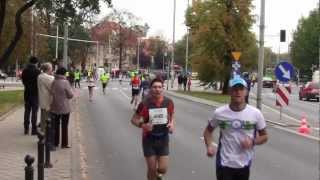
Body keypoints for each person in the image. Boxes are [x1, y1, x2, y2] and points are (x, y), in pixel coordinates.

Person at [203, 77, 268, 180]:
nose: (238, 92)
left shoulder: (255, 114)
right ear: (230, 91)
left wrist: (252, 142)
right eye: (235, 89)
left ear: (246, 92)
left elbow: (264, 136)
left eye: (241, 89)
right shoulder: (219, 113)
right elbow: (208, 132)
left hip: (244, 164)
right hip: (224, 163)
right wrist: (209, 145)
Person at [131, 78, 175, 180]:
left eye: (160, 87)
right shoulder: (144, 103)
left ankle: (159, 176)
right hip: (148, 139)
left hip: (163, 138)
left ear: (163, 88)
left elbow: (172, 115)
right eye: (155, 87)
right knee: (151, 169)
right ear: (150, 89)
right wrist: (143, 125)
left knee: (163, 169)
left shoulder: (169, 102)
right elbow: (133, 119)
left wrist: (172, 124)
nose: (157, 89)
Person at [50, 67, 74, 148]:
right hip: (65, 107)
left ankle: (55, 142)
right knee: (64, 126)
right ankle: (64, 143)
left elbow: (51, 92)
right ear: (64, 74)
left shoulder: (53, 82)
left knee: (56, 125)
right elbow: (70, 95)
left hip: (54, 106)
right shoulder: (66, 82)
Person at [21, 56, 41, 135]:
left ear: (29, 62)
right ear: (36, 63)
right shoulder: (38, 71)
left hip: (27, 93)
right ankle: (33, 129)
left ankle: (26, 128)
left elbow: (23, 81)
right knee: (34, 112)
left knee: (27, 111)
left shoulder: (25, 71)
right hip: (35, 94)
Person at [37, 63, 54, 133]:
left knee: (43, 118)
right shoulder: (49, 78)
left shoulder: (39, 76)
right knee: (47, 119)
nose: (52, 69)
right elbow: (52, 88)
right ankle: (46, 135)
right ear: (48, 69)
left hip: (42, 100)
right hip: (48, 101)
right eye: (51, 68)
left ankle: (42, 133)